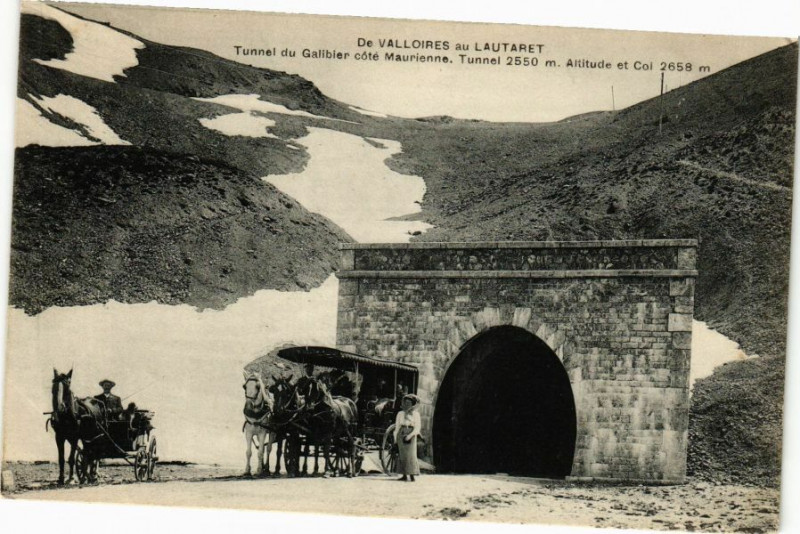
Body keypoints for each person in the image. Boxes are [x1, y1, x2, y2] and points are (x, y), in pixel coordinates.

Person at [393, 393, 421, 482]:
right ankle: (404, 475)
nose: (407, 404)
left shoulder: (416, 414)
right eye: (405, 403)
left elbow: (417, 428)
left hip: (411, 434)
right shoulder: (400, 414)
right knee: (402, 455)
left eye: (409, 403)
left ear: (412, 404)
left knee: (411, 455)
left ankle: (412, 475)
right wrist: (395, 439)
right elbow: (397, 426)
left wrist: (410, 435)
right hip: (401, 433)